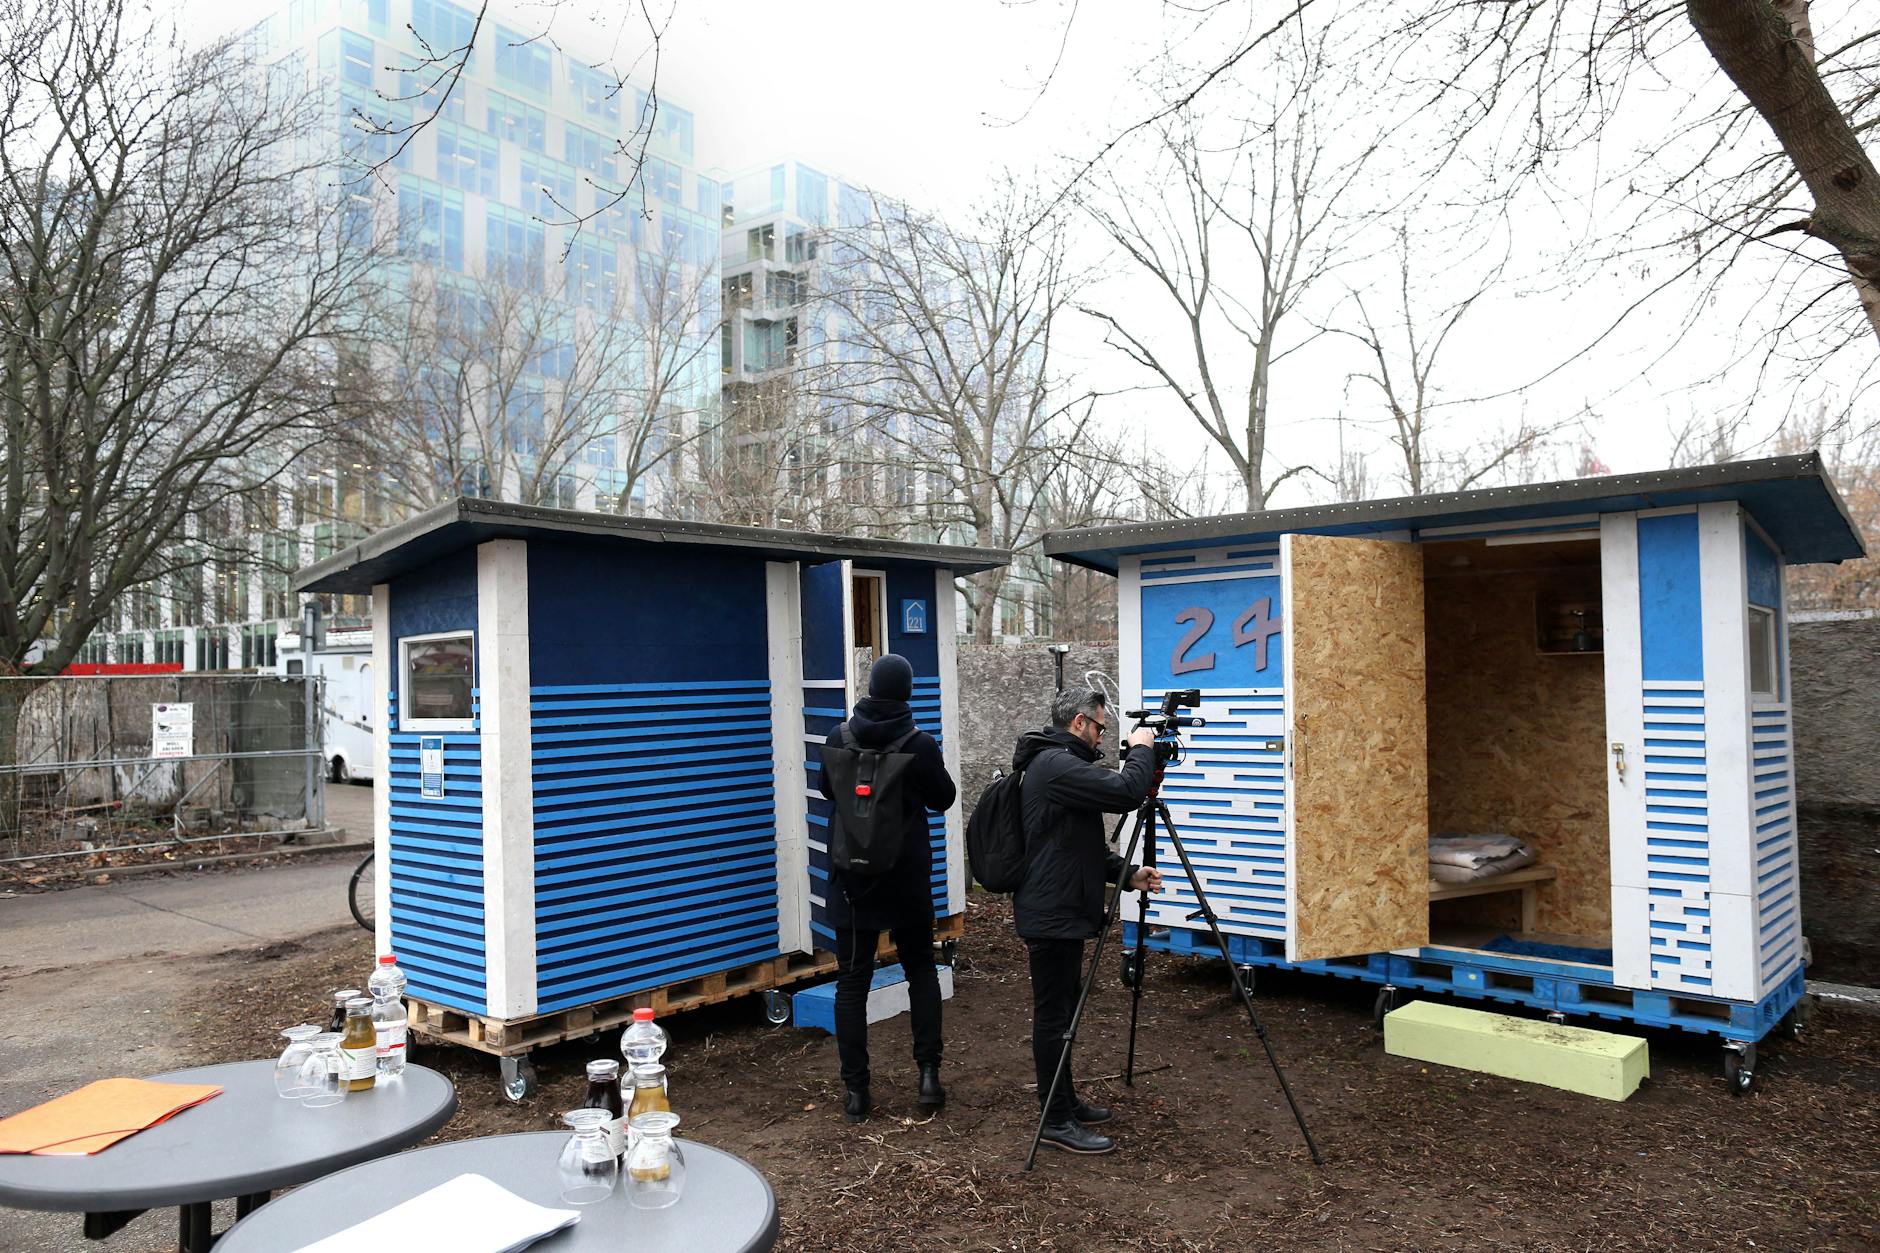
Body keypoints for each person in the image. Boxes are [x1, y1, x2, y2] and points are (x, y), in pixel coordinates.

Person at [1011, 686, 1161, 1155]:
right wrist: (1141, 749)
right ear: (1079, 722)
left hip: (1060, 907)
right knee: (1054, 1016)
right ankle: (1055, 1120)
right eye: (1099, 727)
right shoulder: (1056, 765)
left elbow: (1077, 845)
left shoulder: (1059, 766)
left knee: (1063, 1014)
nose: (1101, 738)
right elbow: (1125, 793)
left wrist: (1126, 874)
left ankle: (1066, 1101)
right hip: (1050, 913)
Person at [819, 653, 957, 1123]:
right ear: (908, 692)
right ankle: (928, 1078)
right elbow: (945, 799)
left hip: (851, 880)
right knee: (920, 970)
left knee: (851, 982)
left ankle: (857, 1092)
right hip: (905, 880)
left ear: (870, 688)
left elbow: (826, 789)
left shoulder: (839, 737)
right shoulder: (918, 745)